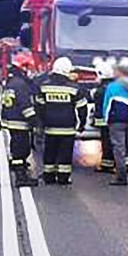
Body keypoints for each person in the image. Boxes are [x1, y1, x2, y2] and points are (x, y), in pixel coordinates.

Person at [39, 57, 88, 185]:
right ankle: (63, 178)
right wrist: (82, 124)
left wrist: (41, 123)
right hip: (67, 127)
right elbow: (82, 108)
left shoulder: (44, 86)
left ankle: (48, 176)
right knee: (65, 153)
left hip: (50, 126)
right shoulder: (74, 88)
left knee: (49, 151)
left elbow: (39, 107)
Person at [2, 51, 39, 187]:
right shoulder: (20, 84)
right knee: (21, 150)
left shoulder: (12, 82)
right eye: (28, 68)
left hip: (12, 121)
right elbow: (25, 105)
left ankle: (20, 171)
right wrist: (33, 120)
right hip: (20, 122)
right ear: (23, 67)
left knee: (17, 148)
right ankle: (21, 178)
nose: (30, 71)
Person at [91, 62, 116, 173]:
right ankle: (110, 164)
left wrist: (94, 120)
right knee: (117, 143)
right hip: (116, 120)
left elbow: (99, 110)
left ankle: (108, 165)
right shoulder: (116, 87)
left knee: (107, 144)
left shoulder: (100, 91)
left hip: (106, 122)